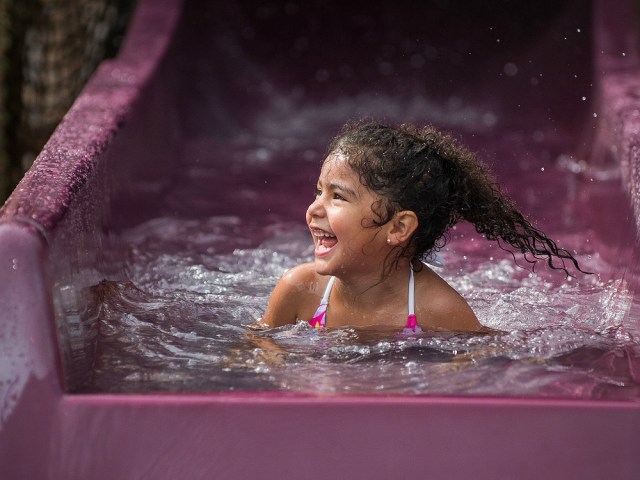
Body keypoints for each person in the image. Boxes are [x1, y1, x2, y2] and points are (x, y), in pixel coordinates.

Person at [258, 121, 587, 333]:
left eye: (337, 197)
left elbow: (484, 367)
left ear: (399, 227)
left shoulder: (437, 310)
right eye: (319, 191)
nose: (314, 209)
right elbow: (257, 354)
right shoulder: (299, 290)